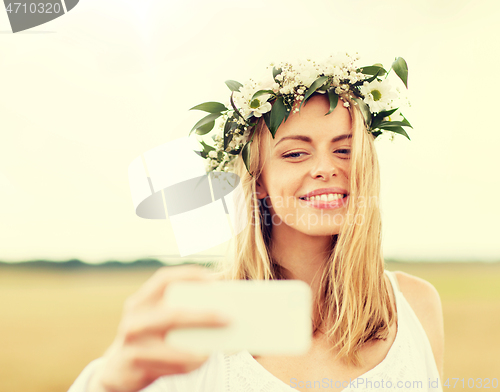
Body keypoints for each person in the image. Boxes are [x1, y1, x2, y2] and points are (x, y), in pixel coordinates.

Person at [68, 54, 444, 392]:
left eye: (345, 150)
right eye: (295, 153)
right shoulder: (202, 314)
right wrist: (107, 382)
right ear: (258, 181)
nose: (327, 168)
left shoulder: (416, 305)